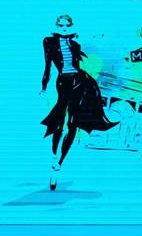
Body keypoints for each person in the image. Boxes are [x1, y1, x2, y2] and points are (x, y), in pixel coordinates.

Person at [40, 14, 118, 191]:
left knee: (72, 123)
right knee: (59, 121)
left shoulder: (75, 44)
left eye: (67, 25)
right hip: (63, 82)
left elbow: (77, 64)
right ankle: (54, 156)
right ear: (56, 26)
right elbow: (48, 66)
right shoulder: (48, 41)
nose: (64, 28)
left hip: (79, 81)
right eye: (61, 25)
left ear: (71, 26)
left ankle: (59, 162)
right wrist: (43, 87)